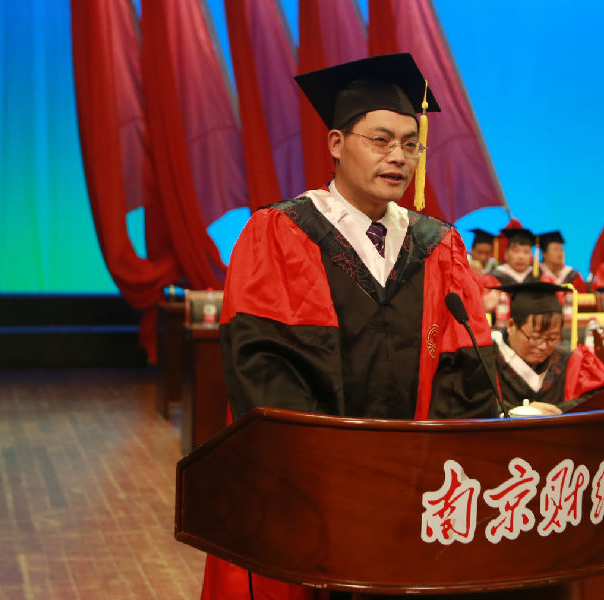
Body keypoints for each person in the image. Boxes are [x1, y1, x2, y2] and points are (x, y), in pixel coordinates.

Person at [205, 53, 498, 600]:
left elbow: (465, 368)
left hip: (416, 496)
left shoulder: (439, 245)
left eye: (410, 144)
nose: (398, 157)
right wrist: (337, 476)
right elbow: (264, 368)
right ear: (336, 144)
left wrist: (429, 474)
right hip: (313, 494)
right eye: (380, 140)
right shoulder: (282, 232)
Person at [490, 282, 604, 415]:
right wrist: (520, 412)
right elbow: (478, 406)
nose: (543, 346)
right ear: (511, 326)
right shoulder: (487, 360)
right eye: (535, 337)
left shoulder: (573, 360)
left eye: (552, 338)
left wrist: (560, 411)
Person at [480, 227, 541, 323]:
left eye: (526, 252)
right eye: (516, 251)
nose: (521, 256)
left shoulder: (540, 278)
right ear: (506, 254)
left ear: (531, 256)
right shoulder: (492, 278)